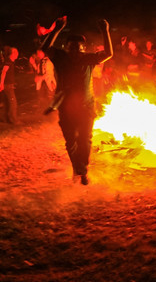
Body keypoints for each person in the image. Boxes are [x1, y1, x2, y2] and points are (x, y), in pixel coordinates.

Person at [41, 16, 113, 186]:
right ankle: (79, 169)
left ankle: (82, 170)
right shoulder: (60, 58)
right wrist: (57, 29)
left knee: (85, 140)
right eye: (71, 47)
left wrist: (105, 31)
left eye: (78, 48)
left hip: (86, 107)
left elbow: (109, 54)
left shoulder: (87, 59)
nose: (74, 51)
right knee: (71, 142)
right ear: (67, 48)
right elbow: (45, 47)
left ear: (82, 49)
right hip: (66, 108)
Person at [0, 47, 20, 124]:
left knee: (8, 103)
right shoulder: (8, 62)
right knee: (13, 103)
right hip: (7, 86)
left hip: (9, 85)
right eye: (16, 52)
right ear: (12, 53)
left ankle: (7, 119)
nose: (17, 54)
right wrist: (1, 83)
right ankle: (13, 119)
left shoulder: (11, 62)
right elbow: (3, 72)